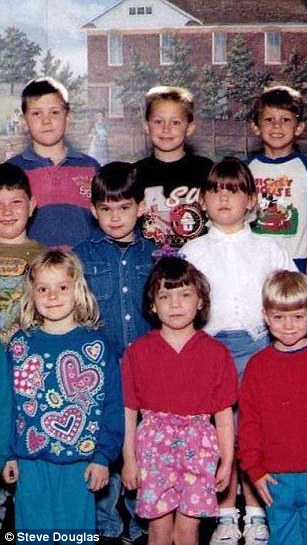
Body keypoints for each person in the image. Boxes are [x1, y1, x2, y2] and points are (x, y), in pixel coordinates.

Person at [182, 156, 296, 545]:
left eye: (233, 192)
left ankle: (258, 512)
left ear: (251, 201)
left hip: (259, 346)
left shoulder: (269, 249)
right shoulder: (193, 251)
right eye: (215, 192)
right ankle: (226, 514)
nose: (224, 199)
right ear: (202, 201)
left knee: (254, 430)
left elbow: (289, 297)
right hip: (210, 350)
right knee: (220, 434)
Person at [1, 249, 124, 536]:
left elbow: (113, 406)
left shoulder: (97, 345)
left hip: (80, 461)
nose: (53, 296)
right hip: (30, 462)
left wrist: (103, 456)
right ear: (31, 294)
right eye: (43, 289)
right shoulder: (19, 345)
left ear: (78, 290)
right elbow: (9, 406)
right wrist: (7, 454)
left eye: (62, 287)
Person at [121, 256, 237, 545]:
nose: (175, 304)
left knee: (188, 531)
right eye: (164, 296)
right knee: (159, 530)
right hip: (153, 448)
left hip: (200, 449)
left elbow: (224, 416)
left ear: (200, 302)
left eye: (185, 295)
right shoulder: (137, 352)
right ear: (152, 305)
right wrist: (129, 460)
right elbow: (129, 413)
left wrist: (227, 462)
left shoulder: (217, 353)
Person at [238, 270, 307, 545]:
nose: (288, 325)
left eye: (298, 316)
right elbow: (249, 423)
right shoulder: (257, 366)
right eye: (279, 317)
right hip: (274, 480)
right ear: (266, 316)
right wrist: (255, 470)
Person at [74, 161, 156, 543]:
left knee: (143, 444)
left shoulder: (156, 256)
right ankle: (106, 524)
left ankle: (142, 521)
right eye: (106, 209)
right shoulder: (80, 257)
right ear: (93, 210)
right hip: (100, 369)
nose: (115, 217)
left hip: (146, 369)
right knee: (104, 441)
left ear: (141, 207)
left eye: (124, 207)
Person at [8, 77, 100, 248]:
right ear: (24, 122)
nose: (46, 121)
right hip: (31, 263)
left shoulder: (91, 167)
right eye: (36, 113)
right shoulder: (11, 171)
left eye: (54, 112)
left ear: (68, 117)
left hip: (83, 263)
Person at [247, 85, 307, 273]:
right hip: (253, 264)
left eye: (285, 119)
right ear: (255, 126)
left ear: (299, 127)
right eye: (269, 119)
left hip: (297, 264)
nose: (276, 126)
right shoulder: (245, 170)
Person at [134, 85, 213, 249]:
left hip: (197, 259)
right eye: (158, 121)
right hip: (150, 261)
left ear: (189, 128)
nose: (166, 129)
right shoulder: (133, 174)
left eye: (175, 122)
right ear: (146, 126)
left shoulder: (207, 170)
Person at [0, 163, 45, 346]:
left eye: (16, 202)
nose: (7, 211)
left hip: (30, 350)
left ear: (31, 205)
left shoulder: (46, 258)